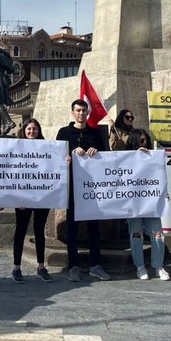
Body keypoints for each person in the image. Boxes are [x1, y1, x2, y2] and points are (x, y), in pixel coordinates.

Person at [56, 99, 110, 282]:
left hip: (92, 188)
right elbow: (57, 156)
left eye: (84, 110)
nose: (81, 113)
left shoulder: (95, 133)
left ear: (87, 113)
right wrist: (70, 153)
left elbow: (106, 158)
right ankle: (73, 266)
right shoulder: (64, 133)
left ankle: (95, 265)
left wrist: (97, 151)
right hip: (72, 187)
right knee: (72, 228)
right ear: (72, 113)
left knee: (94, 228)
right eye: (78, 110)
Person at [125, 127, 171, 280]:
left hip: (152, 201)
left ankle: (158, 266)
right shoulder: (124, 158)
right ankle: (140, 267)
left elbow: (160, 176)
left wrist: (164, 192)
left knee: (157, 234)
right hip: (133, 203)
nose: (144, 143)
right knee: (136, 234)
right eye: (140, 140)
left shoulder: (154, 157)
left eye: (146, 140)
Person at [11, 118, 53, 283]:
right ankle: (16, 267)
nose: (32, 132)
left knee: (39, 231)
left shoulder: (47, 147)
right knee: (20, 231)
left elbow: (53, 167)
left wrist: (64, 161)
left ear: (39, 131)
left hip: (42, 195)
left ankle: (41, 267)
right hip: (23, 197)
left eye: (35, 129)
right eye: (29, 129)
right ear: (24, 131)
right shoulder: (17, 148)